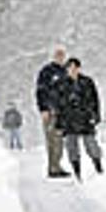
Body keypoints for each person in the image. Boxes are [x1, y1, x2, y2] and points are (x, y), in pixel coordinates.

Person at [55, 58, 103, 181]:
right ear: (67, 70)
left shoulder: (87, 82)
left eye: (75, 67)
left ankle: (98, 165)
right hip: (69, 119)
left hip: (85, 117)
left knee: (91, 144)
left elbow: (95, 99)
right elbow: (59, 105)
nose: (73, 70)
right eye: (70, 68)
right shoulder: (62, 84)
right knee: (72, 147)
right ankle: (77, 170)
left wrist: (96, 115)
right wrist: (59, 123)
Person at [36, 46, 69, 177]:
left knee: (60, 141)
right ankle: (53, 168)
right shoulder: (46, 71)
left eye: (62, 54)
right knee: (52, 140)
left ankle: (57, 165)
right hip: (50, 111)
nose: (60, 57)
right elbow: (41, 91)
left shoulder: (66, 71)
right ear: (54, 56)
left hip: (62, 112)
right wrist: (43, 109)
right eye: (58, 54)